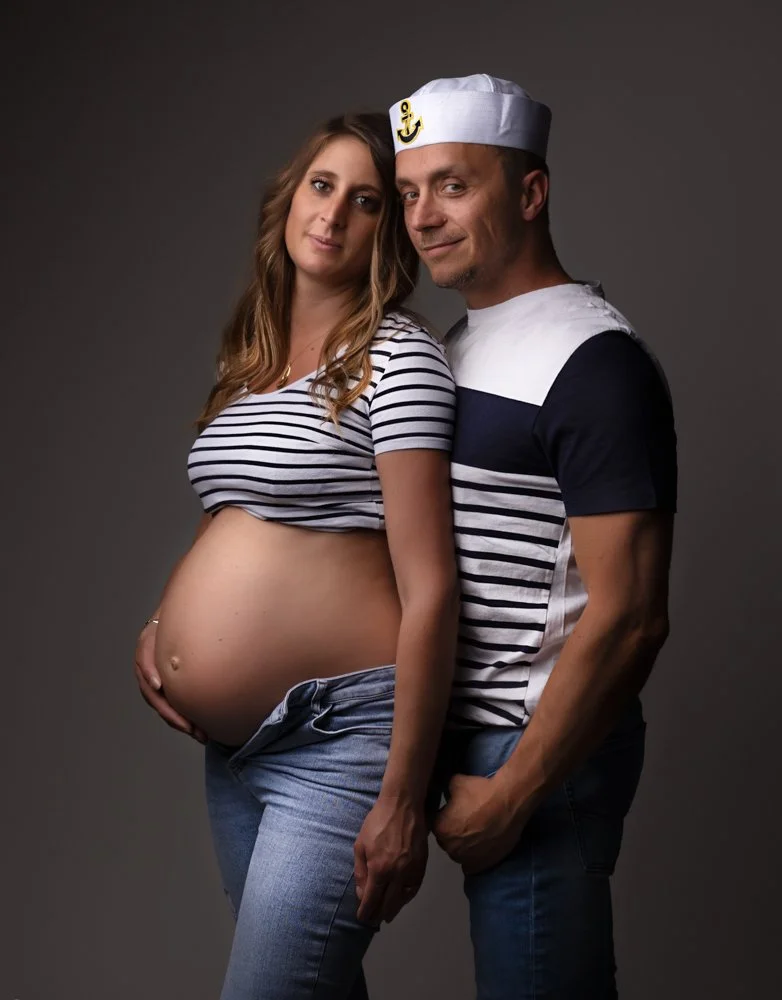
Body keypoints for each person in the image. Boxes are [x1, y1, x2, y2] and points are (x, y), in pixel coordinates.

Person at [133, 111, 459, 1000]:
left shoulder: (399, 359)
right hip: (238, 751)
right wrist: (166, 624)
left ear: (385, 235)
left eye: (365, 203)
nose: (334, 215)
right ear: (292, 196)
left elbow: (431, 589)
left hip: (340, 739)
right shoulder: (257, 362)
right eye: (323, 187)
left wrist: (401, 797)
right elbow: (237, 513)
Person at [390, 75, 678, 997]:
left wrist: (513, 791)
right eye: (407, 193)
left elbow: (631, 617)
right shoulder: (458, 342)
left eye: (452, 185)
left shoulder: (593, 363)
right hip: (463, 736)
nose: (423, 217)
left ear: (528, 192)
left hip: (534, 749)